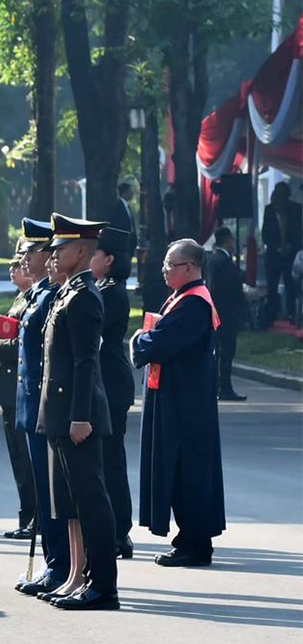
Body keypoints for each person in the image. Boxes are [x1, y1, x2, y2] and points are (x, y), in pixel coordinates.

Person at [37, 214, 118, 611]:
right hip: (61, 412)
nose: (54, 254)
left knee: (92, 501)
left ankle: (103, 586)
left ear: (82, 251)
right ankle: (82, 577)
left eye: (61, 248)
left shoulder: (85, 295)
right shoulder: (67, 292)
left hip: (77, 415)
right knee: (71, 502)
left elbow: (87, 362)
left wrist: (80, 415)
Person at [132, 239, 225, 567]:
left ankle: (196, 545)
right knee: (181, 471)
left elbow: (158, 343)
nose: (164, 270)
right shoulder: (182, 298)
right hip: (179, 398)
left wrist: (140, 340)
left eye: (171, 265)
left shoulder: (195, 303)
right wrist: (146, 339)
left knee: (189, 473)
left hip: (187, 405)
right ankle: (189, 539)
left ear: (190, 268)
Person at [13, 219, 70, 598]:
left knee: (52, 494)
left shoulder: (52, 296)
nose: (24, 258)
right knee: (41, 489)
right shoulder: (37, 294)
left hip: (43, 406)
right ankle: (53, 561)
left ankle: (58, 565)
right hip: (28, 404)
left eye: (29, 251)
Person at [90, 227, 136, 559]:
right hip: (106, 380)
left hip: (112, 383)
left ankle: (120, 532)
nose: (90, 257)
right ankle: (115, 530)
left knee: (111, 459)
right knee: (106, 458)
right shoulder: (103, 288)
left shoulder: (111, 292)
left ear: (109, 260)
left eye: (94, 253)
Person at [0, 242, 36, 540]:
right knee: (18, 457)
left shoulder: (32, 299)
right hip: (8, 386)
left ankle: (34, 518)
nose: (13, 269)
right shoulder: (21, 298)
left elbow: (21, 345)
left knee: (26, 457)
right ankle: (27, 515)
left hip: (19, 384)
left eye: (19, 264)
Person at [209, 227, 248, 401]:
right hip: (226, 312)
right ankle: (225, 387)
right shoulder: (223, 262)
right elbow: (231, 288)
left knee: (217, 352)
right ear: (227, 240)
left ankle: (216, 385)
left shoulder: (211, 259)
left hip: (215, 312)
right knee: (226, 352)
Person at [262, 181, 302, 325]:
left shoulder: (296, 210)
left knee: (290, 285)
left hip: (290, 256)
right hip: (273, 255)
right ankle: (271, 315)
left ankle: (292, 314)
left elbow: (298, 232)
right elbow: (265, 234)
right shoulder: (269, 210)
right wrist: (277, 247)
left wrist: (291, 246)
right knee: (272, 286)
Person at [109, 182, 138, 254]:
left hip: (130, 241)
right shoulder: (118, 207)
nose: (132, 194)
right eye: (130, 191)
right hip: (123, 242)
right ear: (125, 193)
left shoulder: (128, 207)